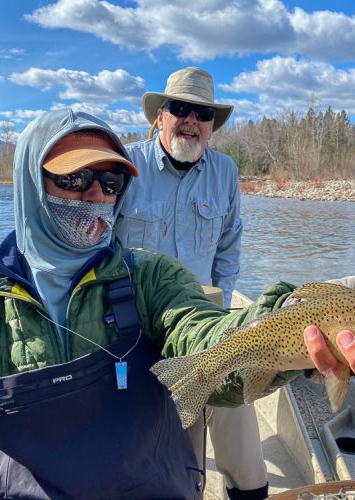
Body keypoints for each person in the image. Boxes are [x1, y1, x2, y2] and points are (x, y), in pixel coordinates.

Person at [0, 108, 355, 499]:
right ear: (28, 182)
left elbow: (207, 334)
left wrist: (325, 307)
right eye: (75, 180)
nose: (97, 194)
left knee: (232, 413)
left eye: (110, 182)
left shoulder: (152, 280)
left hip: (218, 316)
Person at [113, 66, 262, 499]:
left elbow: (229, 246)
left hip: (200, 321)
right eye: (181, 109)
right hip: (133, 322)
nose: (191, 121)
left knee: (236, 385)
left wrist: (222, 309)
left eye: (203, 113)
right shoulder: (125, 167)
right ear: (160, 116)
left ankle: (249, 490)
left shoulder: (226, 172)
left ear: (212, 126)